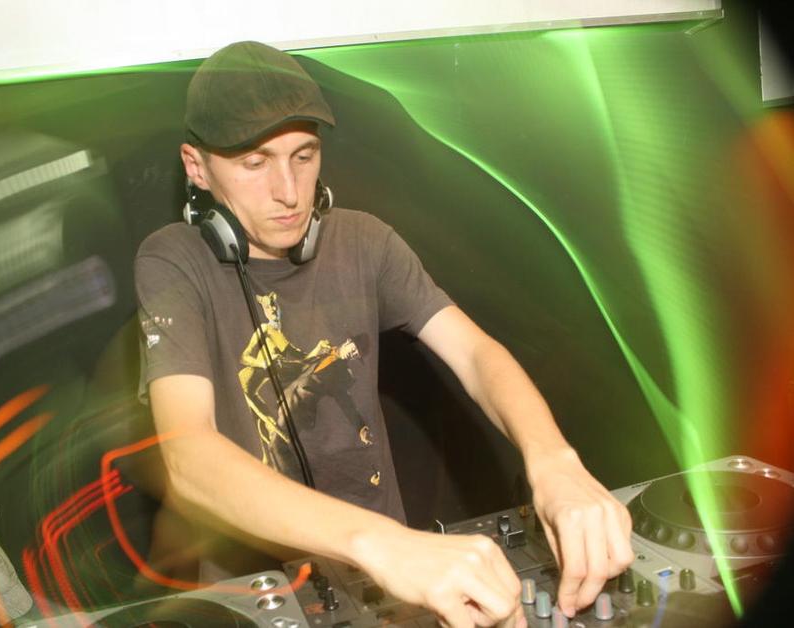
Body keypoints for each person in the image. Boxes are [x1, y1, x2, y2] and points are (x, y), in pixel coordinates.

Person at [134, 40, 633, 628]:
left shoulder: (365, 242)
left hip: (391, 584)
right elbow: (188, 457)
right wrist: (381, 542)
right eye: (255, 163)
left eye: (304, 156)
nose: (289, 191)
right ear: (197, 168)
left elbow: (475, 354)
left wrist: (554, 461)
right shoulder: (173, 262)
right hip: (255, 602)